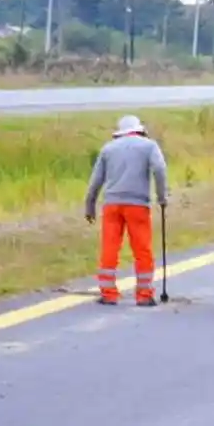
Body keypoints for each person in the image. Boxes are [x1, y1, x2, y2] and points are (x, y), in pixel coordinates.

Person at [85, 115, 168, 307]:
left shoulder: (108, 149)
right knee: (142, 249)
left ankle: (108, 293)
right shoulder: (149, 146)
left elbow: (95, 181)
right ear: (139, 130)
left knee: (110, 248)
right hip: (137, 205)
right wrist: (162, 196)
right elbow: (160, 169)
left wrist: (89, 206)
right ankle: (144, 294)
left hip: (112, 205)